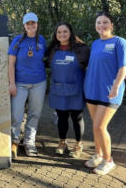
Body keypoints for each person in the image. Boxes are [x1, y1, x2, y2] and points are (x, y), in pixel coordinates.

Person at [84, 12, 126, 175]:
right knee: (95, 126)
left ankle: (108, 161)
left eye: (105, 22)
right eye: (98, 22)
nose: (101, 25)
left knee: (100, 126)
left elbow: (123, 67)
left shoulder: (120, 42)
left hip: (110, 91)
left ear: (112, 25)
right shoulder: (95, 44)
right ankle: (98, 155)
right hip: (92, 89)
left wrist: (116, 86)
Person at [46, 22, 90, 158]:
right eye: (59, 32)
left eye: (65, 31)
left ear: (71, 32)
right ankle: (62, 142)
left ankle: (78, 144)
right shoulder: (52, 49)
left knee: (77, 118)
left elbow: (95, 66)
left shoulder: (82, 49)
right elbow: (40, 63)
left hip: (76, 90)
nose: (62, 34)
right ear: (56, 34)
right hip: (58, 89)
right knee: (62, 117)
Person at [8, 12, 47, 158]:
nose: (31, 26)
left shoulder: (42, 40)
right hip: (20, 82)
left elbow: (47, 57)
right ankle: (14, 141)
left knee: (34, 114)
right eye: (28, 24)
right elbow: (11, 63)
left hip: (39, 82)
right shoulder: (17, 41)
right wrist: (12, 84)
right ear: (24, 26)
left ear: (37, 24)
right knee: (16, 114)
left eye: (33, 23)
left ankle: (29, 142)